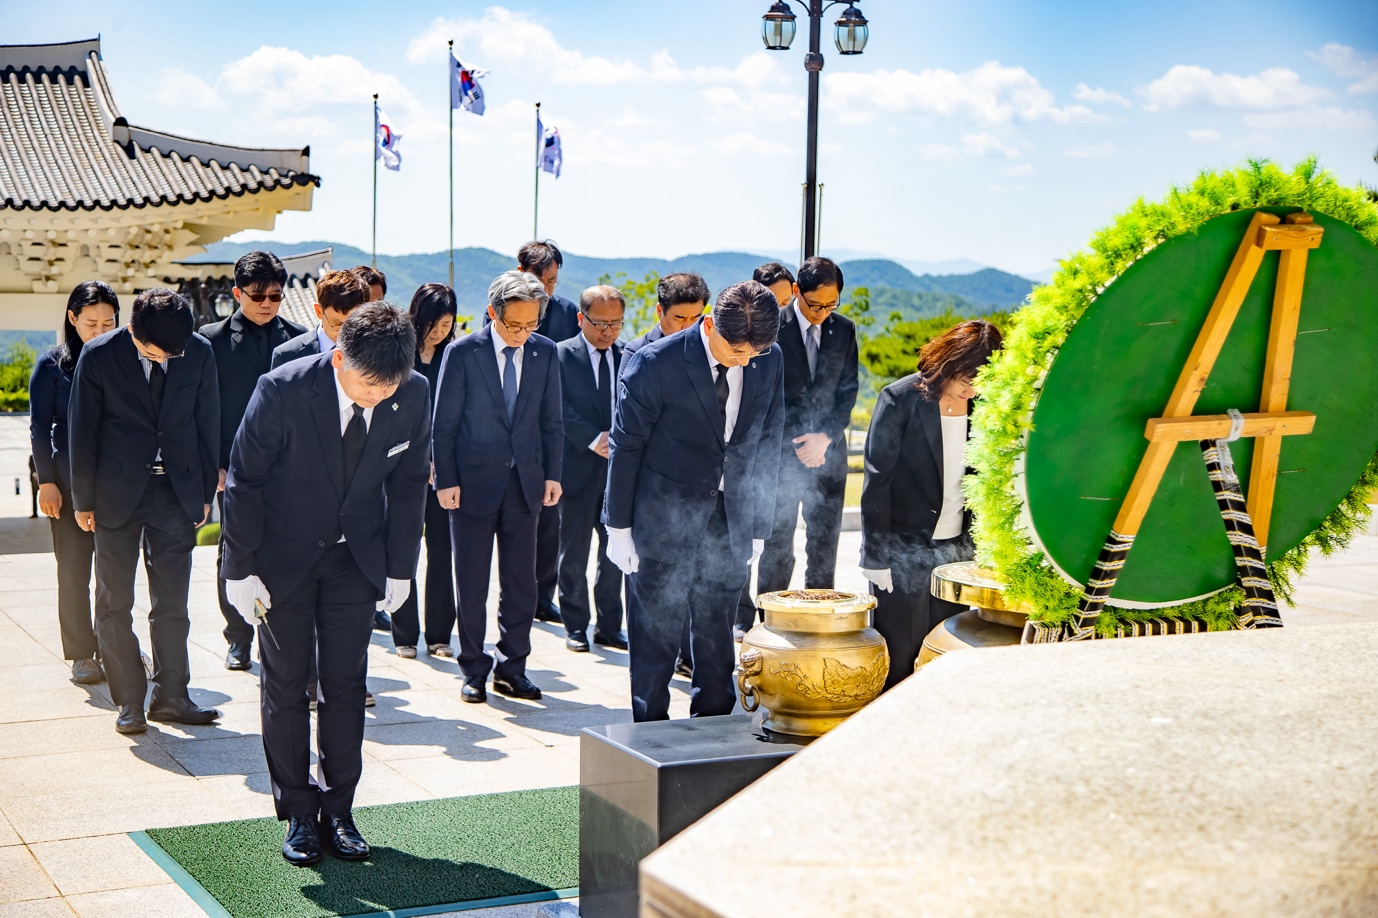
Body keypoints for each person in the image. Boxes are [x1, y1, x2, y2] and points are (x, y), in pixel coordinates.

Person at [222, 303, 429, 866]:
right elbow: (245, 482)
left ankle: (339, 808)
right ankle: (297, 813)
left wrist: (400, 566)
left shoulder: (412, 393)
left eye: (388, 388)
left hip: (355, 560)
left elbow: (410, 484)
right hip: (281, 559)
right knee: (285, 686)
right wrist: (238, 569)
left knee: (345, 684)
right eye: (365, 385)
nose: (376, 398)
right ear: (338, 357)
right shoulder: (282, 389)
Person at [605, 281, 785, 722]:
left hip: (730, 517)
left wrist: (760, 522)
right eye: (734, 351)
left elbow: (768, 439)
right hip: (661, 518)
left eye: (752, 354)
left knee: (716, 635)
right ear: (709, 324)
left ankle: (713, 728)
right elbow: (626, 447)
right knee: (656, 637)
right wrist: (618, 528)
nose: (743, 361)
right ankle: (650, 732)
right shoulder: (654, 362)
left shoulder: (769, 358)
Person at [68, 288, 221, 735]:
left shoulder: (197, 351)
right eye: (159, 353)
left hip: (176, 491)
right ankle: (130, 700)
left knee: (172, 602)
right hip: (115, 493)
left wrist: (203, 490)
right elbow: (83, 431)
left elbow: (207, 418)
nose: (169, 359)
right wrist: (83, 500)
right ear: (133, 331)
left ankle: (173, 696)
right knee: (115, 601)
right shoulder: (97, 357)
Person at [433, 271, 563, 704]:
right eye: (514, 325)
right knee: (470, 582)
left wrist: (552, 474)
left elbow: (552, 421)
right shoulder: (462, 352)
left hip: (524, 484)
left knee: (522, 585)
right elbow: (444, 423)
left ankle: (513, 668)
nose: (524, 334)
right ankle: (473, 668)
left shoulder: (545, 353)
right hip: (470, 486)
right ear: (492, 313)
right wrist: (446, 479)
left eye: (531, 325)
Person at [860, 320, 1003, 689]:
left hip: (956, 550)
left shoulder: (983, 404)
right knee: (901, 651)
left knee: (948, 647)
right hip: (902, 549)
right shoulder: (900, 398)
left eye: (981, 382)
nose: (973, 391)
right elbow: (878, 481)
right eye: (968, 381)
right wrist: (876, 557)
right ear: (950, 364)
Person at [201, 251, 307, 670]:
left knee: (285, 550)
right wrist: (214, 462)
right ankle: (238, 637)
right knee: (234, 548)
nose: (266, 303)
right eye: (258, 295)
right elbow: (204, 407)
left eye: (276, 296)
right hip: (234, 467)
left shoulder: (300, 339)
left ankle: (276, 633)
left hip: (290, 465)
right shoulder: (210, 340)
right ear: (237, 293)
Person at [750, 258, 859, 631]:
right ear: (796, 292)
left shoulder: (844, 330)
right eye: (815, 305)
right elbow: (762, 395)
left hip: (828, 454)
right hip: (782, 456)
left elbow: (847, 391)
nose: (822, 313)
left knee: (824, 547)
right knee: (777, 546)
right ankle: (770, 625)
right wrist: (800, 441)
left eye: (831, 305)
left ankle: (817, 625)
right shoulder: (771, 328)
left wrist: (824, 437)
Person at [30, 281, 119, 685]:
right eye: (91, 324)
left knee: (114, 573)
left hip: (115, 485)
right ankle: (82, 653)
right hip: (66, 487)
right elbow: (39, 428)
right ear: (72, 319)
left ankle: (114, 645)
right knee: (73, 572)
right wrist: (46, 481)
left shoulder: (125, 364)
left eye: (109, 323)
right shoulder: (51, 366)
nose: (100, 332)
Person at [555, 286, 627, 653]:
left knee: (614, 548)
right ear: (582, 318)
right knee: (574, 549)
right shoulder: (561, 355)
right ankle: (575, 625)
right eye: (600, 324)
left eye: (615, 324)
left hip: (617, 469)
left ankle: (610, 626)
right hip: (577, 466)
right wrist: (591, 437)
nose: (608, 332)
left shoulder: (627, 354)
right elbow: (556, 405)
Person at [392, 283, 459, 660]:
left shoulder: (456, 354)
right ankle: (404, 634)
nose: (439, 331)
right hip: (404, 465)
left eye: (447, 323)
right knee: (405, 548)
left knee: (442, 551)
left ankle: (439, 634)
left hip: (444, 469)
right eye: (433, 323)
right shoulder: (400, 354)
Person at [270, 269, 371, 369]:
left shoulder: (376, 351)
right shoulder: (287, 356)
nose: (346, 332)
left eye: (353, 325)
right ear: (319, 311)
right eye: (337, 324)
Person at [625, 272, 710, 357]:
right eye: (680, 318)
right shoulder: (636, 350)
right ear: (659, 311)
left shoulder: (709, 347)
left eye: (695, 317)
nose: (688, 327)